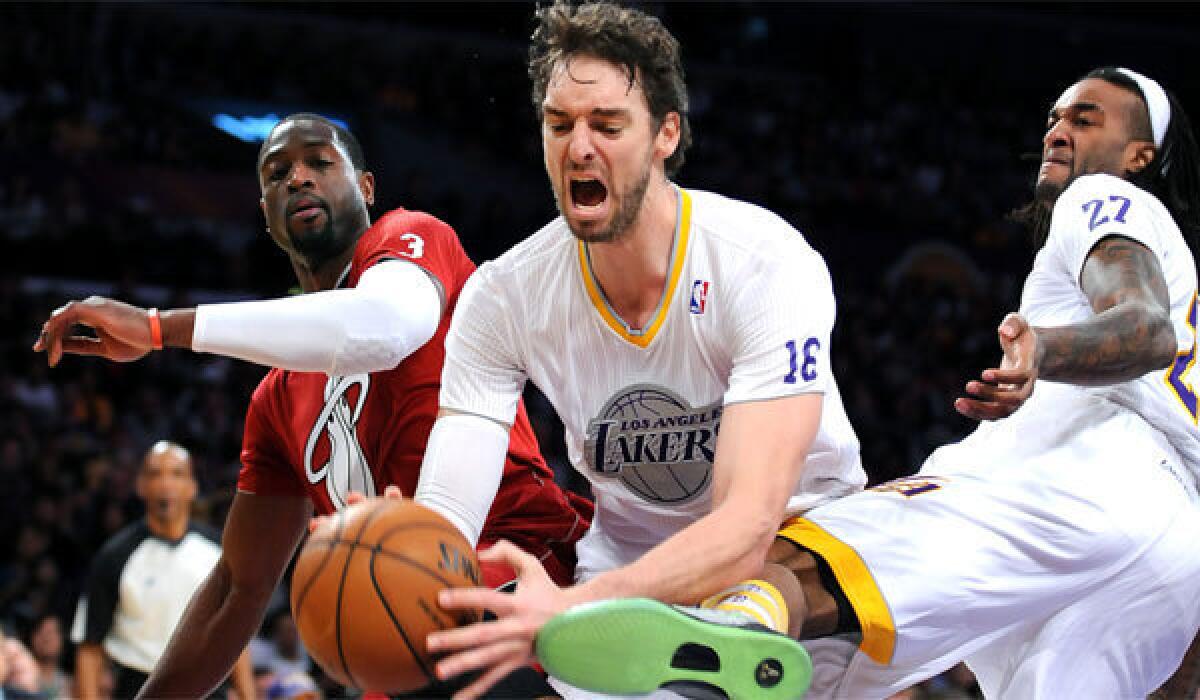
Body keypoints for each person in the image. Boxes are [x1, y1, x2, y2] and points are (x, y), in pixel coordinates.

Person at [542, 67, 1200, 698]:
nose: (1058, 132)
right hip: (1175, 561)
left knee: (805, 554)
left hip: (1090, 470)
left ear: (1139, 156)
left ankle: (730, 629)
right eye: (1055, 118)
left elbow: (1143, 327)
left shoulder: (1105, 199)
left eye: (1085, 121)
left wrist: (1044, 349)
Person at [35, 113, 591, 698]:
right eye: (277, 174)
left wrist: (155, 327)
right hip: (401, 635)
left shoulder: (416, 240)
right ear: (265, 215)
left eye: (320, 163)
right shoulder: (275, 400)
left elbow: (384, 325)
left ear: (367, 188)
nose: (298, 178)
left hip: (527, 578)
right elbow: (237, 589)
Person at [406, 2, 865, 698]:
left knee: (768, 591)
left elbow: (745, 525)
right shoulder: (503, 296)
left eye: (607, 125)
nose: (578, 147)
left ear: (665, 134)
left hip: (797, 560)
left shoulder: (763, 262)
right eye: (558, 125)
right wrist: (396, 548)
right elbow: (450, 507)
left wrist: (574, 605)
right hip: (630, 583)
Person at [70, 441, 255, 700]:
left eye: (176, 474)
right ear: (141, 486)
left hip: (209, 688)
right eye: (155, 474)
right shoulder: (114, 556)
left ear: (192, 487)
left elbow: (237, 638)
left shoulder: (219, 551)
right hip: (139, 687)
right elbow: (90, 646)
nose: (166, 483)